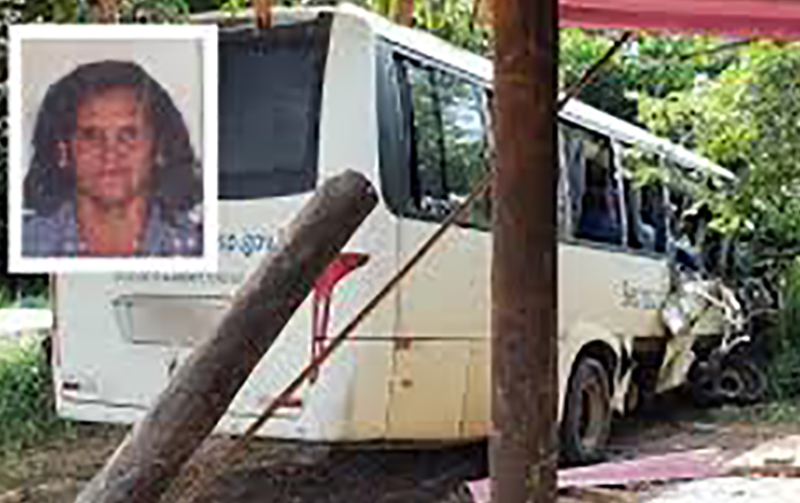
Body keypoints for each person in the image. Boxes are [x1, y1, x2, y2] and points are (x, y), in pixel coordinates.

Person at [22, 60, 203, 257]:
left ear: (159, 147)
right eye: (90, 135)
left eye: (129, 135)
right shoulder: (27, 244)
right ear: (63, 150)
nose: (110, 153)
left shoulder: (197, 245)